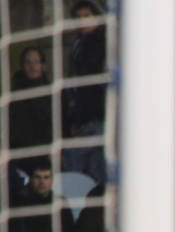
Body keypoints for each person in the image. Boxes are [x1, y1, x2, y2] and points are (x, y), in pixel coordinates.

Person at [62, 1, 108, 184]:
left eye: (87, 16)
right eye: (78, 18)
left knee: (74, 161)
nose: (82, 22)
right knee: (94, 168)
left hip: (97, 117)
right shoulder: (77, 44)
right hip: (84, 119)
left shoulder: (103, 42)